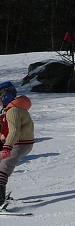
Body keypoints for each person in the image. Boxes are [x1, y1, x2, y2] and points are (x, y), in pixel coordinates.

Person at [0, 81, 35, 209]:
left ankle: (0, 200)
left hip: (19, 144)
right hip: (20, 143)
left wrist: (7, 147)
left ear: (5, 96)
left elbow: (14, 130)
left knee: (4, 166)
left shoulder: (13, 111)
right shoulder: (13, 109)